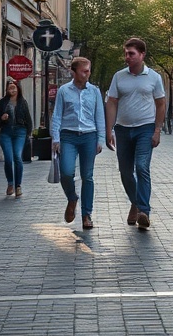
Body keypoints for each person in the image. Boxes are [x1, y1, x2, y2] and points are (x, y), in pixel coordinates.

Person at [105, 37, 166, 231]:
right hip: (123, 129)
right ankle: (136, 203)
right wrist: (109, 129)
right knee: (125, 172)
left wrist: (157, 130)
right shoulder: (119, 76)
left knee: (141, 167)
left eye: (131, 53)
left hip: (145, 128)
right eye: (125, 53)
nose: (127, 57)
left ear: (142, 55)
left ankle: (144, 211)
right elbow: (112, 102)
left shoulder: (154, 77)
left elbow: (161, 104)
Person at [50, 57, 105, 231]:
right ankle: (72, 198)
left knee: (87, 176)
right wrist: (55, 139)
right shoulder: (64, 91)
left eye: (89, 70)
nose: (88, 73)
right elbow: (57, 115)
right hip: (68, 136)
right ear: (74, 72)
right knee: (66, 172)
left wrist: (100, 139)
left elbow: (99, 116)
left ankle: (86, 214)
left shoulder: (94, 91)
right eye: (84, 71)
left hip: (89, 136)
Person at [0, 79, 32, 198]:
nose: (12, 90)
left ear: (18, 89)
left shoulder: (22, 102)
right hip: (6, 132)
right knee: (8, 158)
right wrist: (2, 118)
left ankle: (18, 186)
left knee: (17, 157)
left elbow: (28, 119)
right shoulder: (2, 103)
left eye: (14, 88)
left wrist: (29, 133)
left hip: (20, 131)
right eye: (10, 88)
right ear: (6, 90)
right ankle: (10, 183)